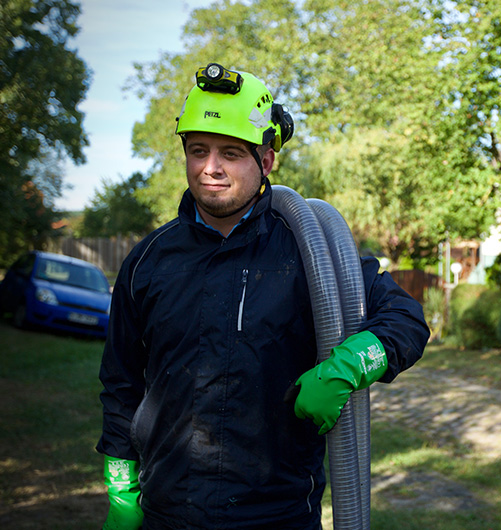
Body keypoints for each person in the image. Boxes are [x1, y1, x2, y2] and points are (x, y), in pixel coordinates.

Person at [97, 63, 429, 530]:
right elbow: (121, 381)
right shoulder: (148, 261)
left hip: (278, 513)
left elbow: (405, 320)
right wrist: (120, 483)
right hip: (168, 510)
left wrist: (353, 364)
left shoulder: (310, 255)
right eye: (198, 150)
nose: (211, 167)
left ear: (266, 160)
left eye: (231, 153)